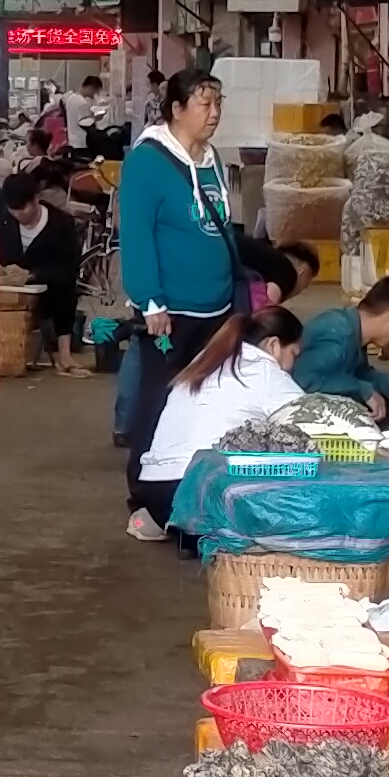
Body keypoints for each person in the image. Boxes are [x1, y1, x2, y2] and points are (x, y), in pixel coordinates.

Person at [115, 69, 239, 540]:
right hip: (172, 311)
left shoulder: (213, 160)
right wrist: (150, 302)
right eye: (205, 104)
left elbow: (224, 227)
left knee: (208, 404)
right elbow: (138, 237)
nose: (214, 113)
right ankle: (144, 501)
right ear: (176, 109)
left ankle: (196, 493)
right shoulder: (148, 163)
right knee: (158, 404)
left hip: (218, 307)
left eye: (218, 103)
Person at [133, 306, 305, 536]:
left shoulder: (205, 361)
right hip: (203, 495)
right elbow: (314, 421)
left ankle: (171, 528)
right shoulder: (265, 371)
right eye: (293, 354)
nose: (291, 365)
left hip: (156, 493)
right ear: (273, 345)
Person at [0, 167, 89, 371]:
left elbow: (68, 267)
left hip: (49, 284)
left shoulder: (61, 224)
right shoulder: (3, 221)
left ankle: (64, 352)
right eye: (14, 209)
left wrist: (33, 275)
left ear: (36, 198)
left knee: (63, 288)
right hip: (10, 286)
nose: (19, 214)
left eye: (23, 208)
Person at [291, 276, 389, 408]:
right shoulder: (339, 334)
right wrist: (362, 390)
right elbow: (304, 381)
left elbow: (359, 374)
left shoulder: (354, 330)